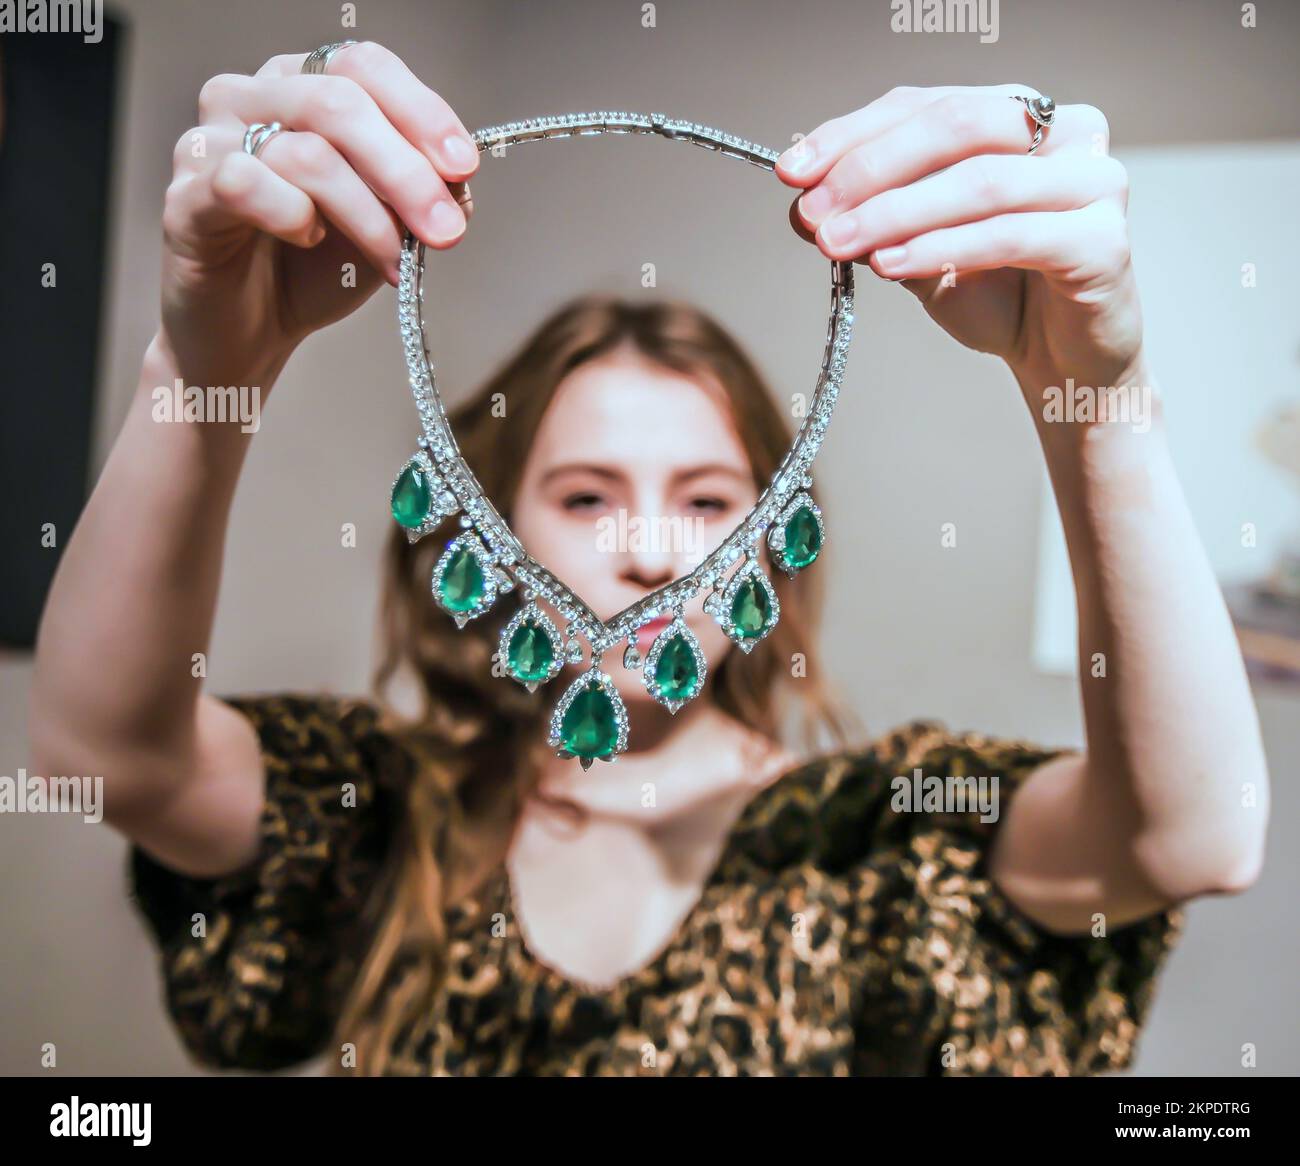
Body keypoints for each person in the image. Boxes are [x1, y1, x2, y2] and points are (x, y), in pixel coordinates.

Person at [28, 42, 1269, 1077]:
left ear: (771, 541)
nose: (642, 548)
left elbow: (1190, 840)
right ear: (489, 526)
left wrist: (1093, 399)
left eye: (707, 495)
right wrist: (203, 373)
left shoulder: (885, 837)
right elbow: (103, 757)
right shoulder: (380, 813)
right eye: (582, 492)